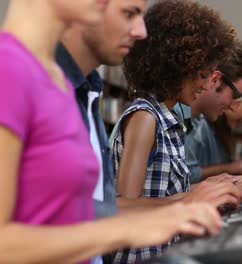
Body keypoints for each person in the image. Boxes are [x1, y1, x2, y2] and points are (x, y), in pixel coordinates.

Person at [0, 0, 222, 263]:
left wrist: (178, 208)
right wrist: (131, 228)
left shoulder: (67, 86)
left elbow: (80, 214)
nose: (141, 32)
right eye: (128, 13)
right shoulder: (10, 69)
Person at [109, 1, 242, 262]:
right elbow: (122, 205)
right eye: (202, 74)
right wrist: (192, 198)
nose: (206, 85)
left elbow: (161, 195)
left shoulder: (169, 119)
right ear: (176, 66)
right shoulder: (145, 118)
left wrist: (211, 189)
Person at [175, 41, 242, 183]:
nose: (234, 107)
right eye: (235, 96)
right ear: (215, 80)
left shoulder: (193, 120)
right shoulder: (174, 117)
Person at [190, 86, 242, 169]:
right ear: (234, 100)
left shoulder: (223, 131)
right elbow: (191, 176)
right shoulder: (201, 127)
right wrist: (229, 169)